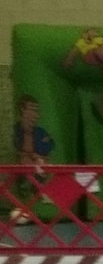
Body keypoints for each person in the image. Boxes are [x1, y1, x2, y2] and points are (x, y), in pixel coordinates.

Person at [10, 95, 55, 225]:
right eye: (32, 109)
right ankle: (26, 206)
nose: (35, 114)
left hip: (37, 166)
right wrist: (30, 156)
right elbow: (16, 149)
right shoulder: (15, 131)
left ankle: (47, 197)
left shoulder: (40, 132)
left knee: (46, 167)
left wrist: (37, 157)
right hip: (23, 168)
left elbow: (48, 147)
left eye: (36, 110)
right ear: (22, 110)